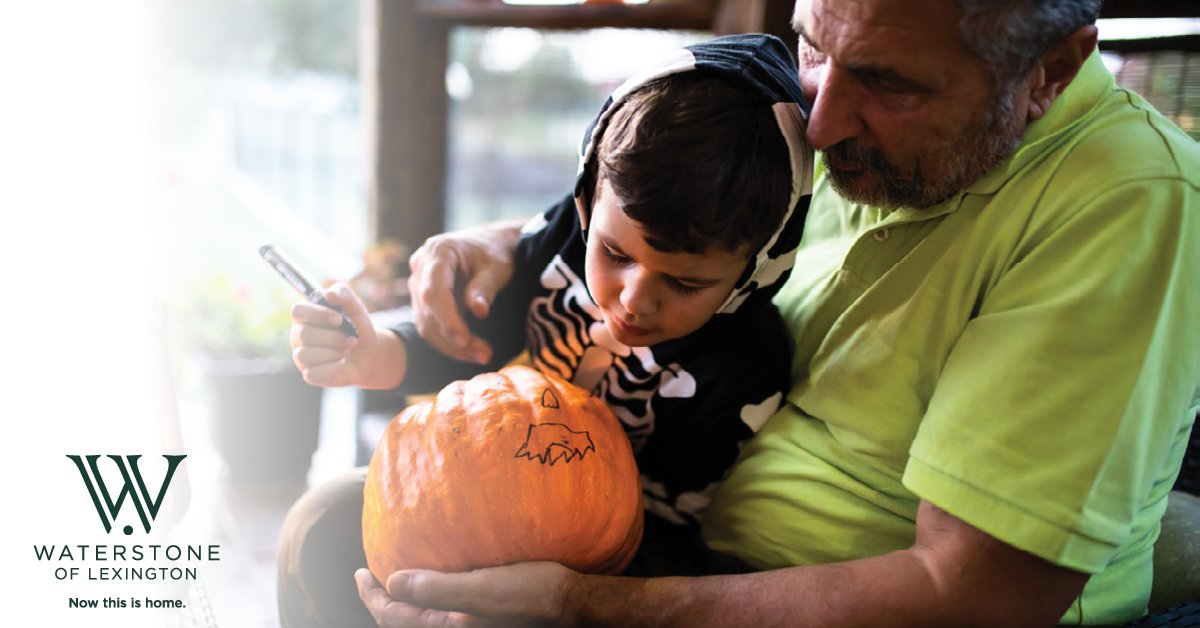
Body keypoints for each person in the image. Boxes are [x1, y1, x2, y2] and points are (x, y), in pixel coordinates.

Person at [341, 0, 1200, 626]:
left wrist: (581, 604)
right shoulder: (841, 122)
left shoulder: (1128, 205)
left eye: (886, 83)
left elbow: (973, 594)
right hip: (622, 509)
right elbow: (661, 217)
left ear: (1048, 71)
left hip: (763, 589)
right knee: (332, 532)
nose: (818, 122)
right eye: (814, 44)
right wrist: (512, 243)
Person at [279, 34, 814, 627]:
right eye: (614, 253)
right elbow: (471, 345)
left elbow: (669, 529)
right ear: (587, 200)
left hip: (600, 561)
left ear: (755, 270)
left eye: (686, 284)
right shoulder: (563, 238)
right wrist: (380, 351)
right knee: (320, 521)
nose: (633, 299)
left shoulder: (744, 365)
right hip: (473, 496)